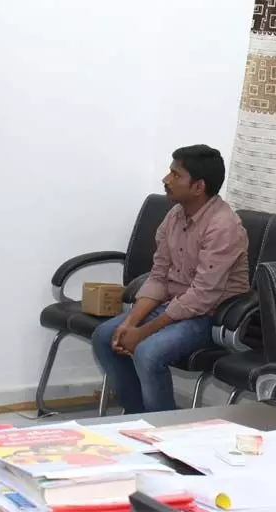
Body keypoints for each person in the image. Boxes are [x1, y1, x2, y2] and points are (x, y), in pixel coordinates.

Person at [92, 145, 249, 413]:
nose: (166, 180)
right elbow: (159, 275)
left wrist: (142, 332)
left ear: (198, 187)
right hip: (174, 304)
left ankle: (165, 430)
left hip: (210, 316)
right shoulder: (175, 215)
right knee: (105, 337)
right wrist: (129, 324)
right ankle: (136, 418)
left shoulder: (224, 226)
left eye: (176, 175)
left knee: (147, 352)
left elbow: (201, 297)